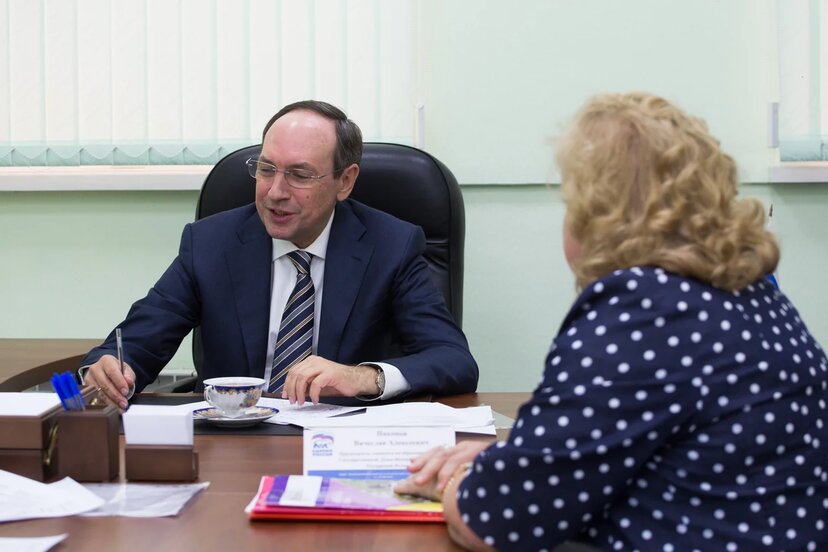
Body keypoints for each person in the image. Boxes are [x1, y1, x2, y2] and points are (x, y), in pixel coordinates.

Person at [395, 92, 828, 551]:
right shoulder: (754, 291)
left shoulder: (642, 312)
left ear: (598, 217)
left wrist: (460, 477)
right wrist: (517, 460)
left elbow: (493, 523)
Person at [81, 100, 478, 410]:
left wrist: (362, 377)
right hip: (233, 442)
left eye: (299, 175)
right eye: (267, 169)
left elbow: (453, 359)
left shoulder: (391, 245)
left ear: (345, 181)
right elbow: (139, 340)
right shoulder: (210, 244)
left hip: (340, 442)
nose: (275, 192)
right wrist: (111, 367)